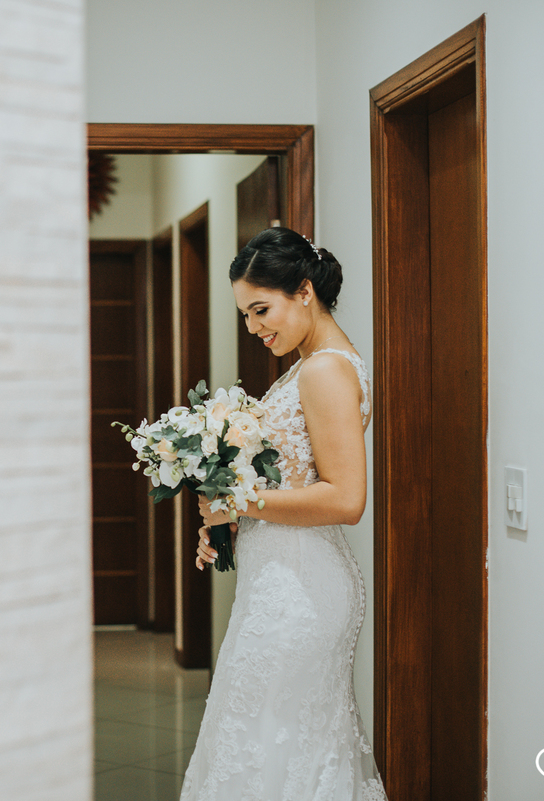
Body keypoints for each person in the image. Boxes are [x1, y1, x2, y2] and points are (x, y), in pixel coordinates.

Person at [180, 227, 387, 801]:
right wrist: (225, 518)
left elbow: (346, 498)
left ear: (303, 291)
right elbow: (292, 481)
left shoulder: (324, 371)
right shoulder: (310, 365)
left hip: (300, 592)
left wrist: (237, 501)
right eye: (246, 314)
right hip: (282, 578)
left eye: (260, 309)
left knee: (270, 738)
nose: (253, 328)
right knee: (279, 742)